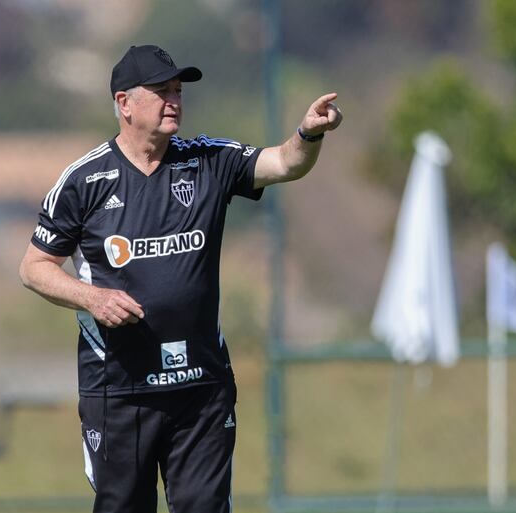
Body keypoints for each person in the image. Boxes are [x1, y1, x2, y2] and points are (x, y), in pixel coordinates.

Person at [19, 44, 342, 513]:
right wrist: (92, 298)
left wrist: (307, 134)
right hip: (119, 391)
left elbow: (285, 163)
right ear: (124, 103)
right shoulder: (84, 181)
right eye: (161, 91)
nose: (174, 100)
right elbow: (33, 268)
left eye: (177, 90)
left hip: (200, 389)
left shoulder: (208, 160)